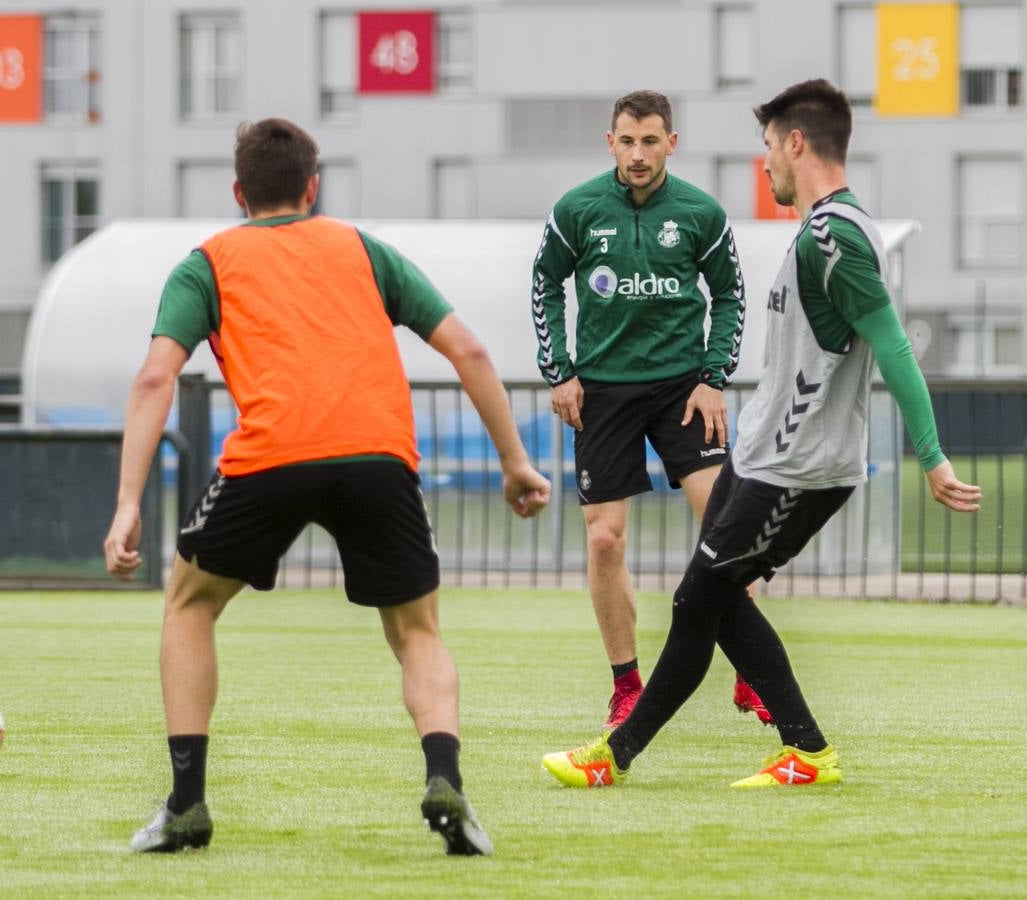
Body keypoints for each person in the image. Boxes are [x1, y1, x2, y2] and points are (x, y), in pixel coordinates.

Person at [104, 118, 551, 854]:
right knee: (417, 631)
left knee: (188, 602)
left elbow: (156, 376)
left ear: (238, 192)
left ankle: (186, 803)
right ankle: (446, 781)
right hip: (377, 457)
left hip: (270, 457)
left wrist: (127, 504)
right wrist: (513, 461)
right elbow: (467, 348)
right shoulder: (362, 249)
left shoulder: (206, 264)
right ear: (312, 188)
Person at [541, 79, 982, 789]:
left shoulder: (834, 236)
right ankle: (795, 749)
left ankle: (621, 756)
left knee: (698, 600)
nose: (765, 163)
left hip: (797, 469)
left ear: (795, 144)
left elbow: (893, 347)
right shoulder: (819, 230)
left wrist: (930, 457)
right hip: (763, 457)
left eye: (768, 148)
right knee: (705, 601)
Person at [530, 89, 771, 729]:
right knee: (605, 540)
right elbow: (544, 282)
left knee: (729, 530)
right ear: (611, 142)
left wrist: (713, 378)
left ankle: (752, 674)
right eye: (628, 141)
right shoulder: (577, 209)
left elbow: (730, 294)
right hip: (602, 393)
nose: (639, 154)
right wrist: (561, 373)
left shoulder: (701, 212)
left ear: (672, 142)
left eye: (651, 140)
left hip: (682, 390)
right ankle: (627, 686)